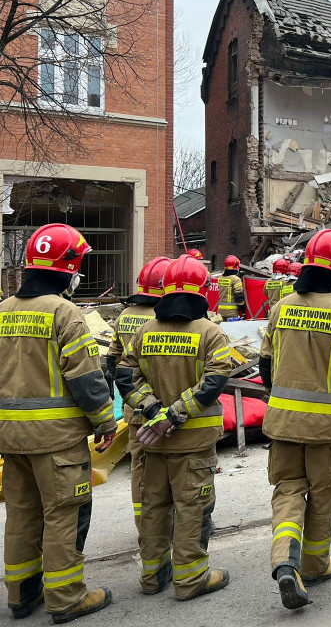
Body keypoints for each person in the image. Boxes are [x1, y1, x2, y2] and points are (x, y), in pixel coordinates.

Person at [0, 224, 117, 623]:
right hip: (57, 441)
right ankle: (66, 597)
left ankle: (21, 595)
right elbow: (86, 378)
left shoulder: (2, 311)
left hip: (9, 438)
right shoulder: (64, 312)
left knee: (21, 513)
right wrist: (105, 423)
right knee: (64, 513)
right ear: (67, 268)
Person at [259, 230, 331, 609]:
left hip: (282, 424)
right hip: (325, 430)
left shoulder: (282, 307)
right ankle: (314, 565)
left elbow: (265, 365)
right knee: (323, 496)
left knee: (288, 492)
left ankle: (283, 562)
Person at [123, 255, 233, 601]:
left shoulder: (144, 332)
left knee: (154, 507)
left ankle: (152, 577)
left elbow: (125, 376)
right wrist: (174, 414)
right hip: (193, 444)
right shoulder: (211, 333)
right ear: (202, 291)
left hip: (152, 442)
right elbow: (214, 380)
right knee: (192, 510)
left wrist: (154, 413)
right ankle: (191, 580)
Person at [108, 256, 172, 537]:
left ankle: (143, 526)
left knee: (140, 467)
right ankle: (174, 524)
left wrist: (128, 398)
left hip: (135, 407)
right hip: (166, 408)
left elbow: (112, 361)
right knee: (172, 467)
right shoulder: (166, 317)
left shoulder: (125, 315)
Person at [216, 255, 245, 320]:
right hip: (232, 312)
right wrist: (243, 311)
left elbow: (228, 280)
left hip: (220, 311)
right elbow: (239, 296)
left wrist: (237, 275)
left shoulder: (220, 278)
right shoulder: (236, 280)